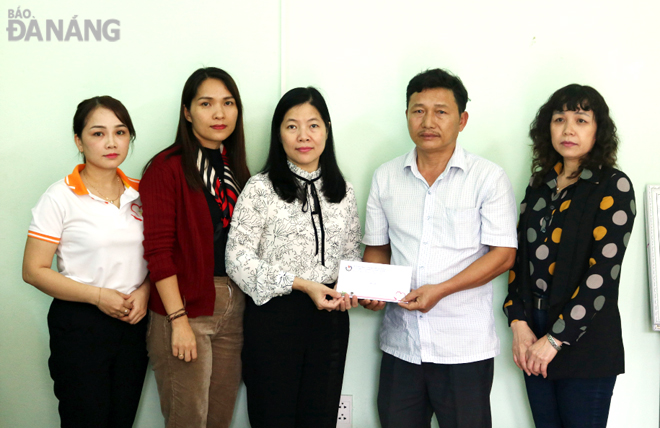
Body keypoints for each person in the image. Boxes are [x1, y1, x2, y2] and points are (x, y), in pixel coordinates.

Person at [360, 68, 518, 428]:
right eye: (418, 110)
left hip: (464, 347)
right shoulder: (385, 176)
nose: (428, 121)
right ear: (406, 116)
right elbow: (378, 249)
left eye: (441, 111)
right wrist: (370, 290)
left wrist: (441, 290)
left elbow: (503, 256)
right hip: (401, 345)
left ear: (462, 120)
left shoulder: (487, 177)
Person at [226, 87, 361, 428]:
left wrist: (350, 289)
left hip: (329, 322)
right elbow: (237, 258)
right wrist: (301, 285)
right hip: (274, 319)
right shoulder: (260, 188)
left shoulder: (343, 190)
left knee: (321, 416)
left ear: (327, 130)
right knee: (273, 415)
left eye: (313, 125)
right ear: (278, 133)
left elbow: (350, 253)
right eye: (292, 126)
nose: (304, 136)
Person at [503, 84, 635, 428]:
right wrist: (518, 324)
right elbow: (519, 262)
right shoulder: (539, 185)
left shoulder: (614, 186)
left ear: (598, 130)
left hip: (585, 340)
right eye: (559, 119)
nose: (568, 129)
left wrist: (556, 339)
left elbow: (604, 273)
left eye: (581, 119)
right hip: (533, 336)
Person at [22, 96, 149, 428]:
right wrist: (97, 296)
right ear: (78, 140)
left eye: (120, 132)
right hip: (80, 324)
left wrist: (146, 291)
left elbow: (159, 256)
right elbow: (33, 271)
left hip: (133, 323)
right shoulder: (59, 196)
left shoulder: (142, 193)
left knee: (121, 420)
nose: (111, 142)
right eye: (97, 133)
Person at [140, 67, 251, 428]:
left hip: (234, 308)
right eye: (206, 103)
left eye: (228, 103)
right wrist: (178, 321)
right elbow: (158, 252)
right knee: (188, 420)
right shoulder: (166, 168)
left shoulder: (238, 170)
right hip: (186, 307)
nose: (219, 113)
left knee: (219, 418)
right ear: (188, 112)